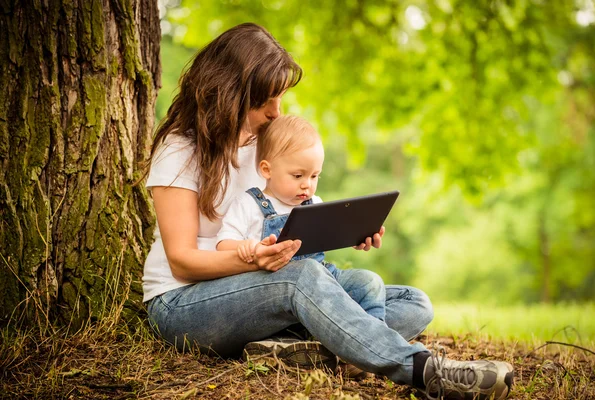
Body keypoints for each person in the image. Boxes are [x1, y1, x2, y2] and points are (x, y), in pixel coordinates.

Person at [142, 22, 514, 399]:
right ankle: (424, 371)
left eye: (280, 98)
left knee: (410, 302)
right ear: (231, 93)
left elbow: (293, 206)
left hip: (267, 289)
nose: (276, 112)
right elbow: (182, 262)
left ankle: (291, 348)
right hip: (183, 305)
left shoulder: (263, 146)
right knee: (300, 278)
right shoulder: (180, 149)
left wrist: (348, 230)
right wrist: (259, 261)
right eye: (265, 101)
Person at [216, 115, 386, 324]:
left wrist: (358, 236)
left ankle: (371, 331)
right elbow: (223, 244)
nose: (307, 184)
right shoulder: (249, 204)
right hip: (277, 289)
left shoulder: (316, 202)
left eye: (314, 176)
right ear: (266, 169)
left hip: (323, 281)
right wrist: (247, 247)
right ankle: (347, 332)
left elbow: (333, 235)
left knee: (370, 282)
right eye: (298, 176)